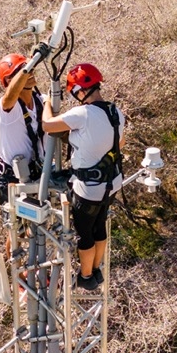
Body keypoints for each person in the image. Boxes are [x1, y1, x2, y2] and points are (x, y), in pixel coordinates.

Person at [41, 62, 124, 291]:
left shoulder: (83, 113)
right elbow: (119, 142)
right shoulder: (115, 111)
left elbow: (48, 125)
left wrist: (47, 102)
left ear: (79, 90)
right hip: (111, 182)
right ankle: (96, 269)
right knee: (99, 227)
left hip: (88, 188)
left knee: (85, 234)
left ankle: (86, 276)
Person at [0, 53, 43, 201]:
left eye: (30, 69)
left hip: (37, 173)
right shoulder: (8, 108)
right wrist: (27, 66)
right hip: (13, 180)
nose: (29, 72)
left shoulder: (41, 101)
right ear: (9, 80)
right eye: (22, 71)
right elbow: (9, 98)